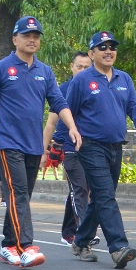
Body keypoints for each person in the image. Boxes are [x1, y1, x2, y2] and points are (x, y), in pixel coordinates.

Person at [0, 16, 82, 268]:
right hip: (9, 144)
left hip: (34, 145)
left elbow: (58, 102)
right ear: (15, 39)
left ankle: (8, 245)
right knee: (18, 192)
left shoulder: (45, 71)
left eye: (36, 36)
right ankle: (25, 246)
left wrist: (73, 127)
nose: (32, 40)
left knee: (21, 196)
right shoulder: (0, 69)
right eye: (26, 35)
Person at [66, 31, 136, 268]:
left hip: (115, 147)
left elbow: (135, 108)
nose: (108, 51)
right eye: (102, 47)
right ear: (91, 53)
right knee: (105, 195)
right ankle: (118, 247)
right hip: (90, 146)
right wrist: (64, 144)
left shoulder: (124, 79)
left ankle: (81, 240)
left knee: (101, 198)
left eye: (112, 47)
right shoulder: (81, 81)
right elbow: (68, 112)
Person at [42, 50, 93, 246]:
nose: (82, 70)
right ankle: (83, 232)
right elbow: (51, 123)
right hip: (69, 148)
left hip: (92, 148)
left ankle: (68, 231)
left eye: (86, 67)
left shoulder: (95, 88)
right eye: (78, 66)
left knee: (83, 189)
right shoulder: (62, 90)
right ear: (71, 67)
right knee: (79, 189)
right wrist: (45, 150)